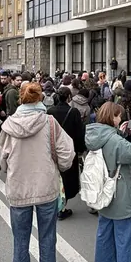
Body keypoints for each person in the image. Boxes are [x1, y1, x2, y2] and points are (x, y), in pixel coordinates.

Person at [0, 82, 74, 262]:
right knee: (47, 241)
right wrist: (58, 167)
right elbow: (67, 153)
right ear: (41, 98)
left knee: (20, 244)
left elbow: (2, 159)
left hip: (19, 190)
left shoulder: (9, 125)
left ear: (20, 99)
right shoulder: (50, 123)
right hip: (46, 188)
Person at [85, 102, 131, 262]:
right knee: (125, 238)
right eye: (119, 115)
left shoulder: (96, 134)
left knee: (104, 233)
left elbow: (112, 147)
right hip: (120, 194)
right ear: (113, 117)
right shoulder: (115, 140)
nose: (121, 118)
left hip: (103, 191)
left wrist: (120, 133)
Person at [46, 88, 86, 220]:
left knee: (55, 176)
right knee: (67, 177)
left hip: (53, 148)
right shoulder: (73, 112)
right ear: (69, 97)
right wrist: (80, 149)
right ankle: (62, 206)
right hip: (69, 149)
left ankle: (56, 204)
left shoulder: (50, 112)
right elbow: (79, 133)